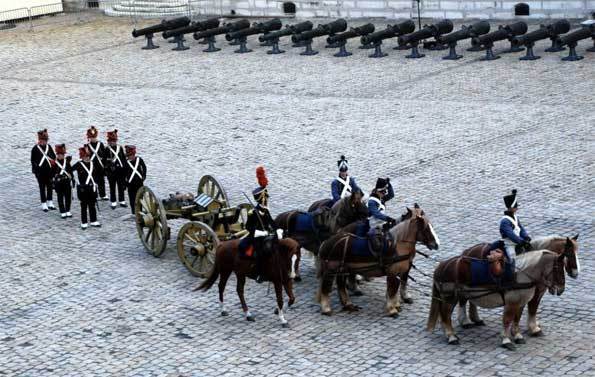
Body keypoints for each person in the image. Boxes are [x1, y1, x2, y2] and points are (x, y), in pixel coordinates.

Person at [244, 166, 283, 283]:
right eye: (265, 199)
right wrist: (261, 232)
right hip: (256, 237)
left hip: (267, 234)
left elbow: (271, 222)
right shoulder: (253, 213)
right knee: (261, 252)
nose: (267, 201)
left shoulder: (265, 210)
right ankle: (259, 273)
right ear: (261, 200)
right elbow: (248, 227)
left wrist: (278, 230)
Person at [73, 146, 101, 229]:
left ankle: (93, 221)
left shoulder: (93, 163)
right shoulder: (79, 164)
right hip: (83, 189)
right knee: (84, 206)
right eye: (86, 156)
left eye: (88, 156)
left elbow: (98, 174)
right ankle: (84, 222)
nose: (88, 158)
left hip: (92, 188)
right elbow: (69, 170)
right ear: (82, 157)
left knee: (92, 205)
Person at [500, 189, 531, 260]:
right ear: (511, 208)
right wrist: (522, 241)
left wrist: (526, 237)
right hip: (510, 245)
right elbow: (511, 235)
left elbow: (521, 228)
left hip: (518, 242)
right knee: (513, 259)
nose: (517, 208)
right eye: (515, 207)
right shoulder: (505, 221)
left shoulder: (515, 217)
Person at [30, 129, 56, 212]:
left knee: (49, 186)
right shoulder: (35, 149)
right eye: (43, 140)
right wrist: (36, 171)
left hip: (49, 171)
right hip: (40, 172)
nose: (44, 142)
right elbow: (33, 160)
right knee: (42, 187)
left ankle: (50, 202)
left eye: (45, 140)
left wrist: (54, 169)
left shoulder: (49, 147)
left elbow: (53, 157)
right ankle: (44, 204)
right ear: (39, 140)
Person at [105, 129, 127, 209]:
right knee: (112, 187)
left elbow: (123, 159)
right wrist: (108, 167)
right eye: (111, 141)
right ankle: (113, 201)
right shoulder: (107, 149)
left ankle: (122, 200)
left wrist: (124, 169)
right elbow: (104, 160)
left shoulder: (120, 148)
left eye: (113, 140)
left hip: (120, 171)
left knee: (120, 186)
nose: (112, 142)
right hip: (111, 172)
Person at [85, 126, 108, 200]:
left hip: (100, 166)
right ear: (89, 138)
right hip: (92, 166)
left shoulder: (100, 144)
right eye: (91, 137)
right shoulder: (87, 146)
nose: (93, 139)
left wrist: (105, 165)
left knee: (101, 181)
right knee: (93, 181)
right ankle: (94, 194)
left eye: (94, 137)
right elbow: (85, 157)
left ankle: (103, 194)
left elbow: (104, 155)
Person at [51, 144, 74, 219]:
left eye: (62, 155)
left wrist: (73, 180)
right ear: (57, 155)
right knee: (60, 197)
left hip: (66, 181)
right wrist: (53, 183)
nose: (60, 156)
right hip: (58, 182)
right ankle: (62, 211)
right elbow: (52, 173)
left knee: (68, 197)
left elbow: (70, 172)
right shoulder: (54, 163)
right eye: (59, 155)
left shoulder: (67, 162)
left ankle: (68, 210)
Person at [124, 145, 146, 215]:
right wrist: (125, 184)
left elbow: (144, 167)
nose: (131, 156)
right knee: (132, 199)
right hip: (130, 184)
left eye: (132, 155)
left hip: (139, 183)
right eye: (129, 155)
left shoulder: (139, 160)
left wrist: (144, 176)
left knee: (140, 198)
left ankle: (140, 211)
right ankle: (134, 213)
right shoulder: (126, 163)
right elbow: (123, 174)